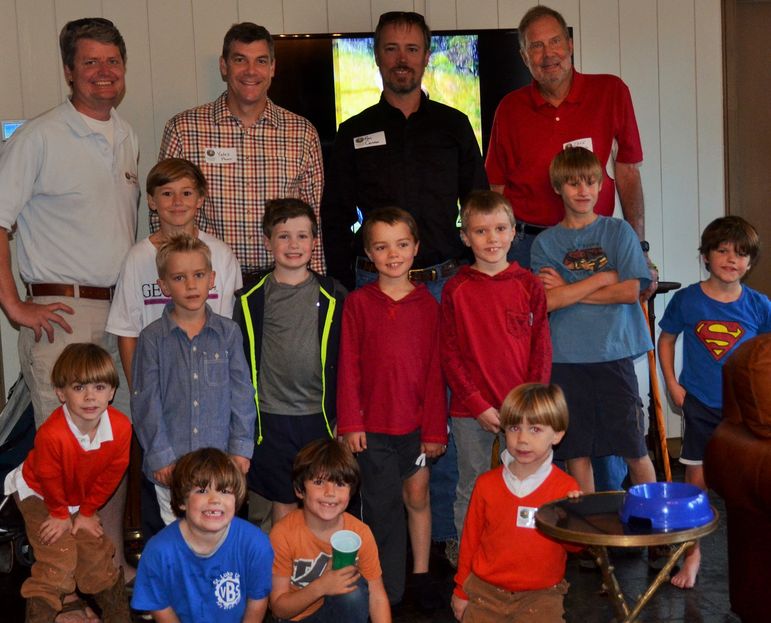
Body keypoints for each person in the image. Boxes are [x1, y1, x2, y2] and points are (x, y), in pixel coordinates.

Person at [321, 9, 487, 563]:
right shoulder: (353, 132)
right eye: (390, 48)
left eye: (412, 49)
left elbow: (479, 202)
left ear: (427, 55)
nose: (401, 59)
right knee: (383, 407)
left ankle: (440, 534)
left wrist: (473, 272)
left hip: (444, 285)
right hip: (375, 290)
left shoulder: (453, 125)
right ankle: (385, 541)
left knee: (440, 408)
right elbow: (336, 214)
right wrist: (349, 283)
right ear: (376, 56)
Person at [0, 16, 139, 605]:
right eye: (91, 62)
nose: (104, 73)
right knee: (63, 448)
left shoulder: (127, 135)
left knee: (110, 444)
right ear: (68, 71)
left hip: (120, 313)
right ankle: (60, 580)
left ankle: (102, 572)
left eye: (113, 61)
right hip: (61, 312)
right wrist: (14, 304)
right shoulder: (38, 137)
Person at [336, 208, 446, 609]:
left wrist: (435, 430)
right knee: (381, 507)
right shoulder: (358, 304)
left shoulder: (429, 306)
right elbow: (347, 367)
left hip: (416, 427)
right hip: (372, 430)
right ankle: (386, 589)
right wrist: (350, 422)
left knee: (417, 496)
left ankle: (419, 577)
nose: (393, 254)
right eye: (382, 247)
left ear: (415, 248)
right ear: (369, 253)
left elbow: (437, 373)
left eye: (401, 244)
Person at [530, 147, 656, 495]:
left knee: (633, 447)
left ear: (602, 186)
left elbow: (630, 290)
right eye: (573, 183)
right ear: (558, 188)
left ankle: (659, 527)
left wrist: (570, 288)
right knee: (576, 451)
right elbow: (549, 301)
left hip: (614, 355)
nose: (583, 191)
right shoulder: (545, 243)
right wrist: (602, 278)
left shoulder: (619, 232)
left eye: (590, 182)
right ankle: (586, 533)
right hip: (566, 359)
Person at [157, 22, 324, 281]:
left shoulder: (302, 133)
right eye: (240, 60)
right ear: (224, 66)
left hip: (280, 284)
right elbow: (163, 213)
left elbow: (314, 220)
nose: (250, 71)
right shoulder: (184, 130)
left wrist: (317, 286)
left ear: (272, 68)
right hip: (207, 286)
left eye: (260, 61)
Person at [486, 4, 647, 268]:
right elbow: (497, 187)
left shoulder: (611, 92)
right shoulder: (509, 108)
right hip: (527, 244)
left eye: (555, 41)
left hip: (594, 241)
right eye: (536, 46)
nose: (548, 54)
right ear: (524, 56)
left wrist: (639, 248)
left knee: (595, 309)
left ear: (570, 45)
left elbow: (627, 171)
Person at [658, 216, 771, 589]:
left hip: (746, 410)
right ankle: (692, 556)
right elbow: (667, 340)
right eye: (721, 251)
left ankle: (754, 562)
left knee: (749, 484)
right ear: (705, 256)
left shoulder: (759, 305)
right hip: (701, 403)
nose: (730, 259)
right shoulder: (687, 300)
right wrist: (672, 384)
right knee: (696, 481)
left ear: (750, 262)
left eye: (740, 254)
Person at [441, 190, 551, 540]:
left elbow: (541, 349)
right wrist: (477, 406)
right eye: (481, 231)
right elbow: (450, 354)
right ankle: (467, 561)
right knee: (471, 485)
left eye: (500, 229)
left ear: (514, 231)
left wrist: (529, 406)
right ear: (464, 236)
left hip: (522, 412)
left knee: (523, 483)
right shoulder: (456, 288)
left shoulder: (529, 284)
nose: (492, 239)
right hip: (470, 411)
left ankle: (521, 550)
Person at [233, 199, 346, 526]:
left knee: (322, 499)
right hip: (270, 420)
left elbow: (346, 362)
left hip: (319, 418)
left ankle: (319, 573)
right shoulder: (249, 297)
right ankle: (284, 574)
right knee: (281, 504)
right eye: (283, 237)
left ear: (314, 241)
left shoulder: (334, 295)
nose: (293, 245)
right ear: (268, 242)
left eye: (301, 236)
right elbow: (239, 366)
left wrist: (342, 417)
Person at [130, 235, 255, 525]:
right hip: (172, 470)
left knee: (218, 538)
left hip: (221, 469)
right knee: (178, 542)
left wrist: (240, 448)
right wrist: (160, 456)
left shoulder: (229, 333)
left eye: (198, 275)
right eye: (179, 277)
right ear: (163, 285)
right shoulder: (152, 339)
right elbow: (145, 401)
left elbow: (242, 395)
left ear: (212, 279)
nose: (190, 285)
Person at [4, 343, 131, 623]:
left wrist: (86, 512)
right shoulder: (53, 434)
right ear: (61, 393)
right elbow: (49, 478)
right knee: (59, 557)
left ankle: (118, 615)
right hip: (38, 493)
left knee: (96, 555)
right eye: (78, 387)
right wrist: (61, 515)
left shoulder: (121, 428)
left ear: (111, 392)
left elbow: (113, 473)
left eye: (99, 387)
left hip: (77, 498)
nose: (89, 397)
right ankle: (39, 617)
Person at [451, 383, 581, 623]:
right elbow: (470, 540)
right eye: (513, 428)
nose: (522, 439)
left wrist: (572, 520)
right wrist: (461, 590)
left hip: (541, 596)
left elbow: (576, 548)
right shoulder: (486, 484)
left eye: (535, 429)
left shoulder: (565, 489)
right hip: (484, 593)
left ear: (558, 434)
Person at [107, 157, 242, 385]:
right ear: (151, 201)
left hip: (211, 381)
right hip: (159, 378)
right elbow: (127, 333)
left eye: (187, 193)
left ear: (200, 199)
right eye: (167, 193)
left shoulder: (222, 255)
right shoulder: (137, 258)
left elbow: (232, 329)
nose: (177, 201)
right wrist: (138, 393)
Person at [131, 448, 273, 622]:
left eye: (225, 491)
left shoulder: (256, 544)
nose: (215, 499)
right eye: (202, 491)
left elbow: (257, 601)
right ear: (182, 501)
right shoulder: (158, 551)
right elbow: (159, 606)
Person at [269, 438, 390, 623]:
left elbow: (377, 597)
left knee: (353, 591)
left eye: (340, 484)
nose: (330, 492)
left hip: (339, 613)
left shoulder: (360, 533)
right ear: (300, 489)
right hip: (295, 619)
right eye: (319, 482)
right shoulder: (283, 534)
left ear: (351, 492)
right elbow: (278, 609)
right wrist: (321, 586)